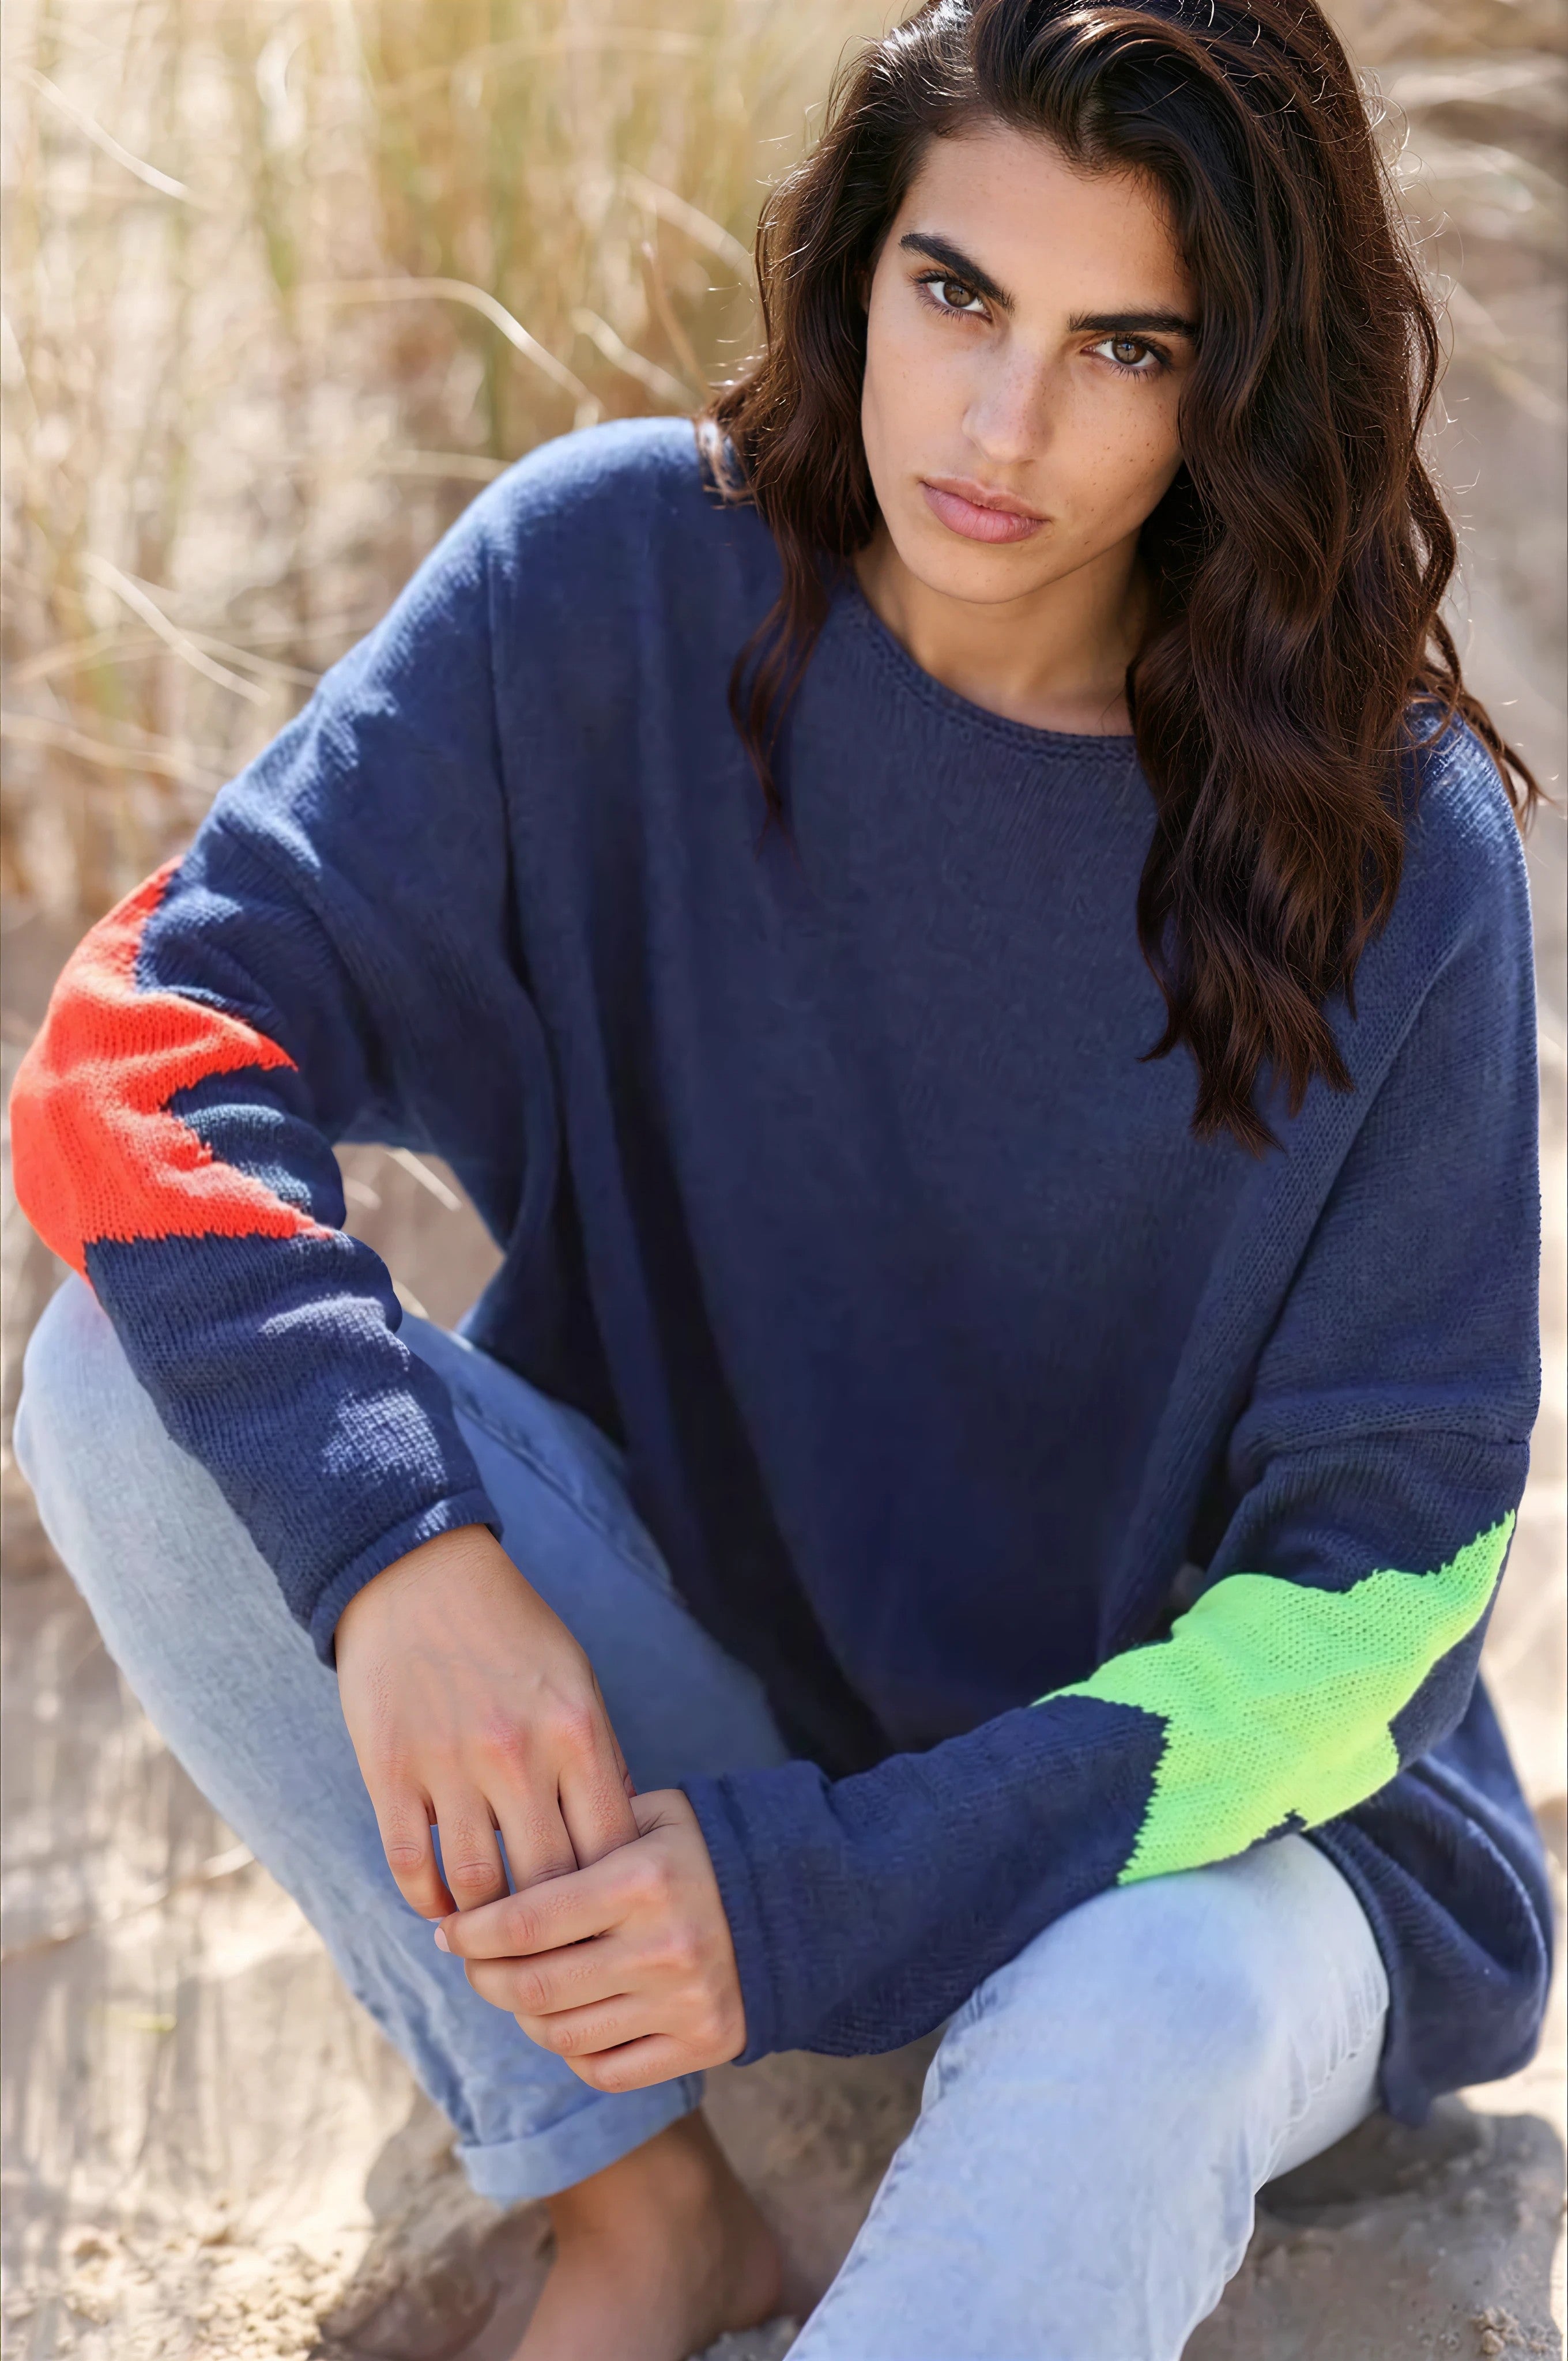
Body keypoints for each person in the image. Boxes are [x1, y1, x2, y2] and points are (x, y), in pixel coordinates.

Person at [11, 0, 1554, 2354]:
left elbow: (1380, 1600)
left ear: (1235, 387)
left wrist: (844, 1893)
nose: (1001, 423)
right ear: (860, 261)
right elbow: (139, 1044)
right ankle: (642, 2208)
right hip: (728, 1764)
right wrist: (399, 1549)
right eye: (957, 292)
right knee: (125, 1377)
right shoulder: (611, 585)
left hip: (1188, 1849)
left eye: (1122, 347)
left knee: (1131, 2017)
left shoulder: (1388, 844)